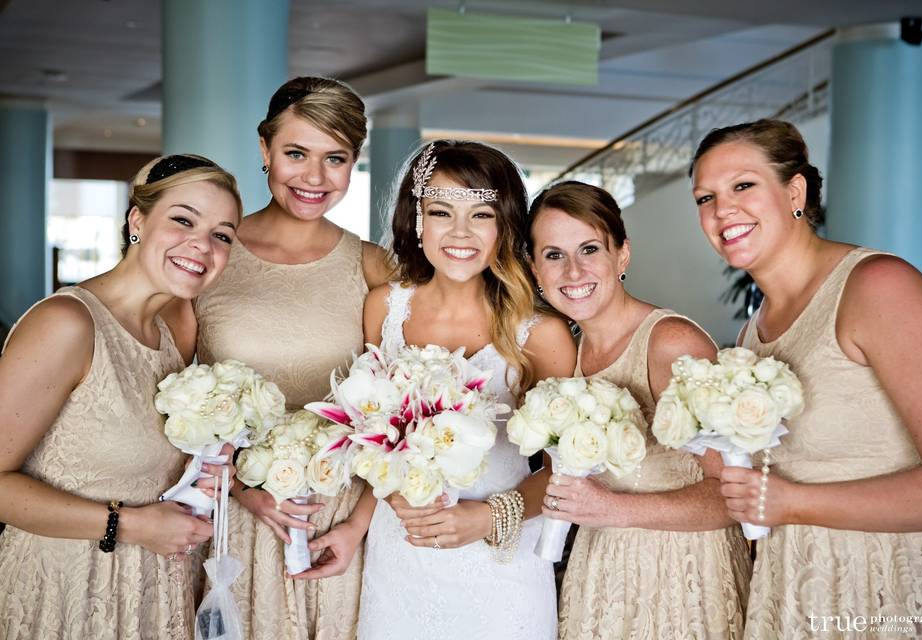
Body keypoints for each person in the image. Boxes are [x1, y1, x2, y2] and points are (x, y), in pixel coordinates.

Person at [690, 119, 922, 638]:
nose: (722, 210)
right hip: (796, 589)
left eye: (742, 185)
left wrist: (794, 503)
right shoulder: (751, 334)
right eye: (705, 197)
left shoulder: (878, 287)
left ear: (795, 191)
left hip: (891, 594)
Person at [0, 154, 242, 639]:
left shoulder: (176, 331)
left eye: (222, 235)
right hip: (70, 589)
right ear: (138, 220)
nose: (202, 245)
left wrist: (205, 472)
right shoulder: (67, 324)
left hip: (155, 589)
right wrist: (130, 526)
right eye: (182, 220)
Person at [192, 76, 391, 640]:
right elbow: (171, 393)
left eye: (336, 158)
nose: (314, 177)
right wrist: (243, 490)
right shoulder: (210, 260)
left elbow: (399, 416)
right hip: (235, 517)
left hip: (342, 522)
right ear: (264, 150)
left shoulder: (375, 267)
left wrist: (358, 524)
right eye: (296, 153)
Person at [356, 140, 577, 639]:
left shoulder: (541, 334)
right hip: (399, 557)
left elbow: (568, 471)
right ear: (417, 220)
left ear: (505, 225)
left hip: (499, 567)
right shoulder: (384, 310)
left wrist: (490, 517)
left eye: (481, 214)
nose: (460, 233)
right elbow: (368, 434)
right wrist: (393, 495)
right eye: (440, 212)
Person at [527, 181, 751, 639]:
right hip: (600, 572)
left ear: (622, 255)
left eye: (590, 248)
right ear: (533, 268)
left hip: (682, 577)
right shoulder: (565, 354)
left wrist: (611, 508)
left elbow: (733, 496)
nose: (573, 270)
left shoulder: (670, 343)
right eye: (553, 255)